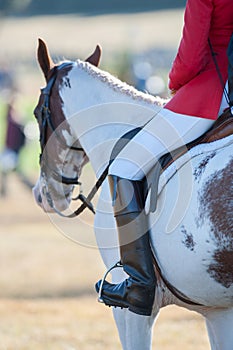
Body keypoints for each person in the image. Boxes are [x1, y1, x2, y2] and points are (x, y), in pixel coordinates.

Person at [96, 0, 233, 316]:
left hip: (212, 89)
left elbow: (192, 52)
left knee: (124, 168)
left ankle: (140, 284)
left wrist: (174, 82)